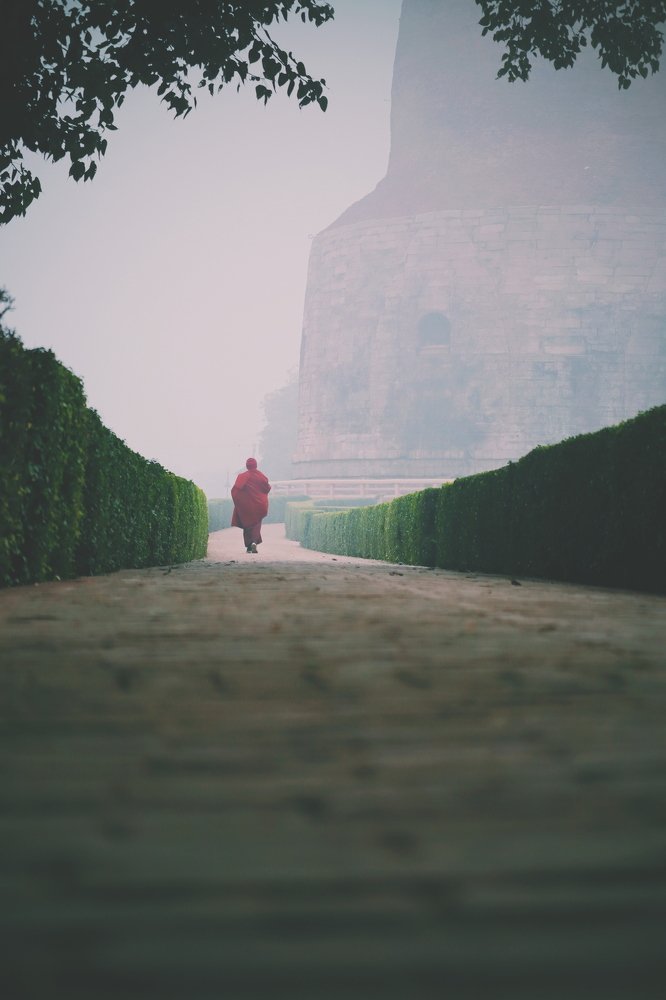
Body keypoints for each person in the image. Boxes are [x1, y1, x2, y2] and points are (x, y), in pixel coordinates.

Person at [231, 457, 271, 554]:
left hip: (246, 506)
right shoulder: (261, 476)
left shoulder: (242, 476)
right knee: (256, 525)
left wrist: (240, 503)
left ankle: (249, 547)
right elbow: (267, 488)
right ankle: (253, 542)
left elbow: (234, 491)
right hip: (258, 505)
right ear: (256, 465)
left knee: (247, 525)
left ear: (247, 466)